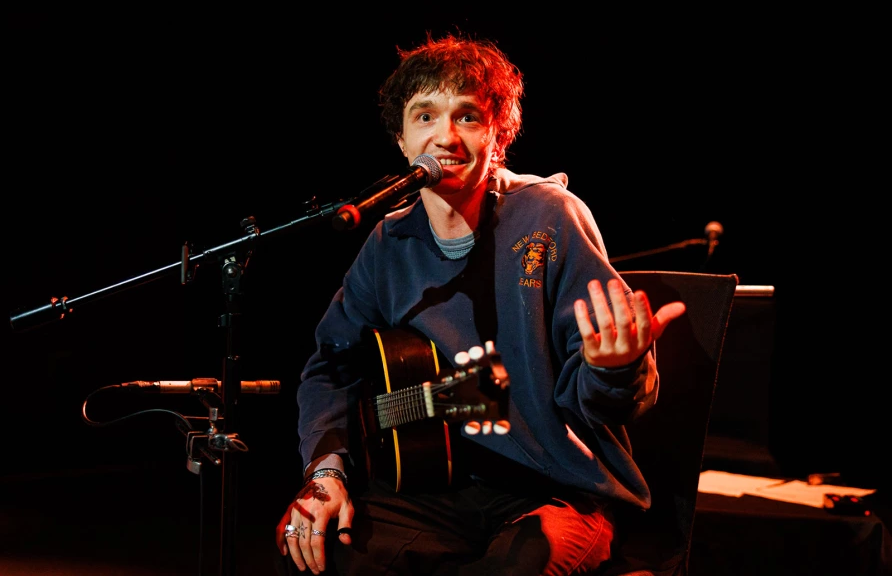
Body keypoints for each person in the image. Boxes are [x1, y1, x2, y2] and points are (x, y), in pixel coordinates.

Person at [275, 31, 686, 576]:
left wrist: (617, 368)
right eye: (425, 116)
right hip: (431, 487)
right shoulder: (389, 241)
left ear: (498, 136)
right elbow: (331, 365)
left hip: (556, 492)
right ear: (401, 139)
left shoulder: (549, 218)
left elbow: (607, 403)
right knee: (311, 551)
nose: (445, 136)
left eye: (467, 116)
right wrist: (326, 471)